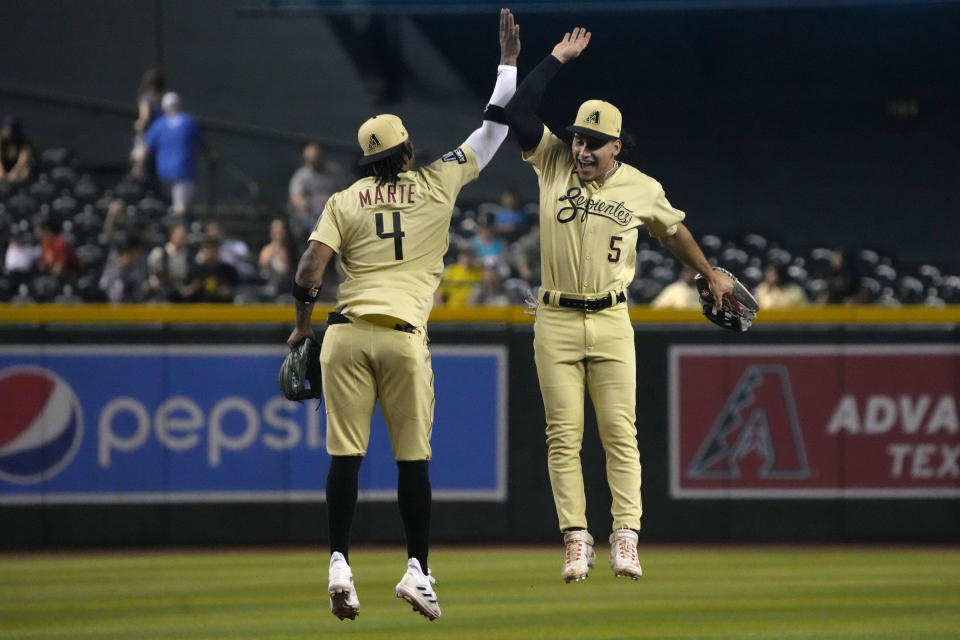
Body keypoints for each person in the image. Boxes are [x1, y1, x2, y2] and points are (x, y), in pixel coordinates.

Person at [284, 9, 520, 622]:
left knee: (345, 458)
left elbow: (311, 266)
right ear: (409, 149)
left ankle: (339, 561)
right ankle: (417, 570)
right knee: (412, 461)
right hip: (402, 337)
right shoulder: (438, 182)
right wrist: (509, 66)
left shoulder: (343, 198)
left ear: (367, 162)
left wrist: (303, 326)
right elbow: (494, 128)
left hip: (344, 333)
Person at [504, 27, 733, 583]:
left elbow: (673, 230)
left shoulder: (641, 187)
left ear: (617, 146)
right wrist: (557, 58)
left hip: (611, 317)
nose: (581, 149)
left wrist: (708, 274)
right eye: (578, 138)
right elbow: (516, 109)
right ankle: (577, 539)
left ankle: (625, 536)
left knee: (618, 432)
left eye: (593, 142)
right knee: (563, 435)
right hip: (554, 316)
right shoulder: (553, 160)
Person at [140, 92, 211, 216]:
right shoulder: (189, 122)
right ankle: (178, 229)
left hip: (163, 174)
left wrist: (138, 168)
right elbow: (202, 145)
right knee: (180, 209)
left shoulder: (159, 124)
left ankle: (175, 229)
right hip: (183, 173)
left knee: (170, 207)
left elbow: (145, 148)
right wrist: (210, 157)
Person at [288, 142, 345, 243]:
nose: (313, 160)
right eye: (309, 158)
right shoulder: (301, 176)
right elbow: (296, 198)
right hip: (310, 216)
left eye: (315, 157)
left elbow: (345, 194)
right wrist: (309, 203)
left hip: (332, 212)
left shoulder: (335, 172)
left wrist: (329, 201)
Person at [180, 237, 238, 302]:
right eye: (208, 249)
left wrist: (228, 291)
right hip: (198, 307)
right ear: (202, 250)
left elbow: (238, 290)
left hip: (223, 307)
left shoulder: (229, 270)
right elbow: (184, 292)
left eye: (214, 249)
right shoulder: (195, 270)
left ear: (219, 251)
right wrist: (193, 288)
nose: (211, 253)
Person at [145, 223, 192, 300]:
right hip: (162, 293)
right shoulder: (159, 253)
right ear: (172, 235)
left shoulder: (188, 255)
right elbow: (150, 273)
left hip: (182, 294)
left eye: (184, 236)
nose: (182, 238)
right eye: (179, 236)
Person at [258, 218, 293, 297]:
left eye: (280, 231)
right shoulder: (266, 250)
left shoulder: (290, 250)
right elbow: (263, 265)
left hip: (288, 286)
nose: (278, 233)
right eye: (275, 231)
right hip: (271, 287)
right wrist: (274, 250)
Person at [0, 115, 33, 183]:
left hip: (16, 166)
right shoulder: (1, 140)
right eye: (4, 129)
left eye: (7, 129)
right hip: (3, 165)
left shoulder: (23, 142)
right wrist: (2, 171)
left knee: (22, 173)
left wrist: (14, 172)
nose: (4, 132)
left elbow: (22, 161)